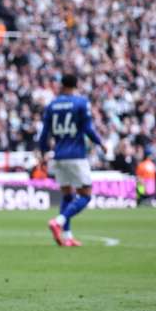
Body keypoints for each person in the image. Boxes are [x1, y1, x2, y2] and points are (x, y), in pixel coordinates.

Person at [38, 73, 103, 247]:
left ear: (62, 85)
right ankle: (58, 221)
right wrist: (100, 143)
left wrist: (43, 154)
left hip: (58, 156)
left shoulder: (52, 105)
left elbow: (44, 134)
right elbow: (88, 129)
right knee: (86, 196)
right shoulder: (81, 103)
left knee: (67, 196)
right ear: (76, 84)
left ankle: (67, 237)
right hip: (76, 156)